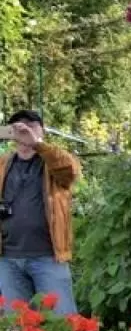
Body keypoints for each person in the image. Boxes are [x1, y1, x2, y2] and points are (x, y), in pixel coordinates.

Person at [0, 110, 81, 314]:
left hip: (48, 257)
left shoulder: (52, 162)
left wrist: (36, 143)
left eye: (30, 124)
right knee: (17, 329)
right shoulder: (3, 163)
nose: (23, 129)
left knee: (63, 324)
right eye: (18, 126)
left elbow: (69, 171)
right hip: (9, 260)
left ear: (42, 130)